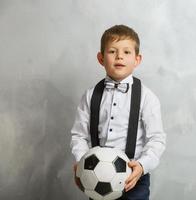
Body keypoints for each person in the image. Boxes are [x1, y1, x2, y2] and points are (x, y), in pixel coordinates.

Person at [70, 24, 166, 200]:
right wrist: (81, 161)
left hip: (134, 178)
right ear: (101, 58)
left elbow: (157, 139)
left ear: (137, 59)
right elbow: (79, 135)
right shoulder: (90, 95)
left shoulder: (147, 97)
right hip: (96, 177)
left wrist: (142, 166)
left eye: (127, 52)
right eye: (112, 51)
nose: (119, 56)